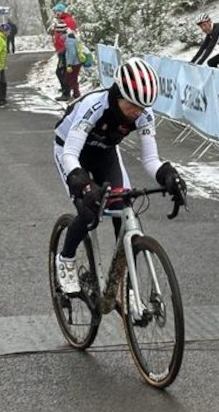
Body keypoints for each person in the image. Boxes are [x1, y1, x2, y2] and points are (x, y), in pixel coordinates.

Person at [51, 58, 187, 294]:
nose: (137, 112)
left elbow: (150, 160)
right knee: (89, 212)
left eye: (142, 107)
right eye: (132, 105)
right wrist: (84, 185)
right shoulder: (94, 106)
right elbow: (70, 154)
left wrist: (167, 174)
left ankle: (126, 287)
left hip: (105, 152)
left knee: (123, 208)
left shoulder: (144, 114)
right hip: (71, 151)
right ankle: (66, 259)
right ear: (117, 95)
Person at [52, 20, 71, 101]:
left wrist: (61, 51)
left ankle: (66, 92)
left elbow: (65, 46)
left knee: (60, 73)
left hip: (64, 56)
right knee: (61, 73)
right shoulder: (61, 35)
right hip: (62, 55)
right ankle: (65, 90)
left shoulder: (63, 36)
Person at [64, 30, 83, 99]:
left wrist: (69, 64)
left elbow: (72, 53)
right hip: (77, 62)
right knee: (72, 78)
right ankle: (75, 93)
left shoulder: (69, 41)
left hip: (74, 63)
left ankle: (76, 94)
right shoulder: (73, 39)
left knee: (71, 79)